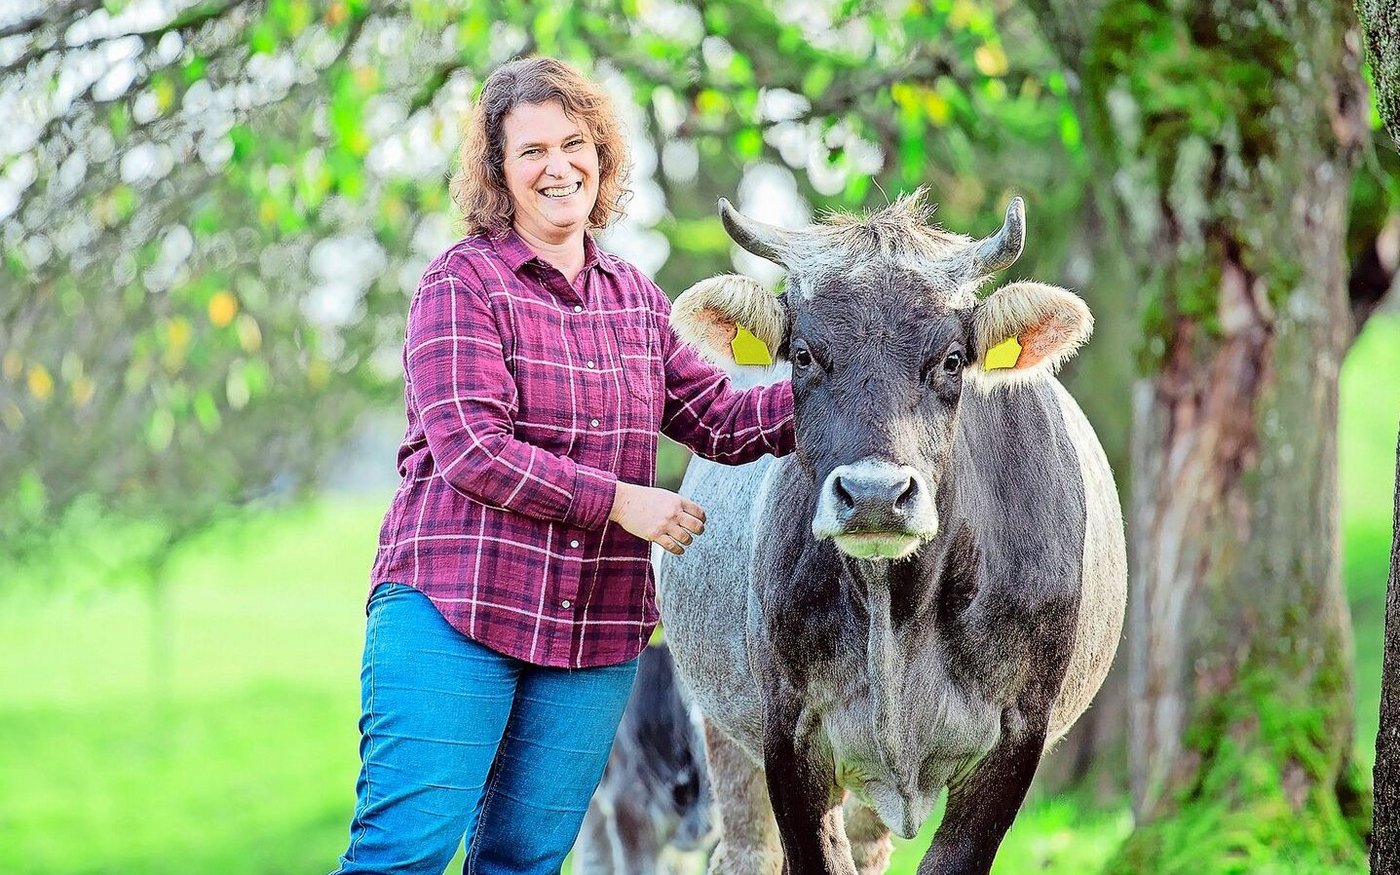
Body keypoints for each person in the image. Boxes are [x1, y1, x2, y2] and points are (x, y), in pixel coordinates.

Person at [330, 56, 794, 875]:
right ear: (498, 173)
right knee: (403, 853)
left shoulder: (636, 300)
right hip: (456, 609)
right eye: (532, 151)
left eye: (574, 144)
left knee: (526, 859)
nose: (558, 166)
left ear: (601, 156)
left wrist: (847, 389)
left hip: (591, 632)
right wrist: (621, 500)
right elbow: (473, 449)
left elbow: (720, 418)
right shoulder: (461, 283)